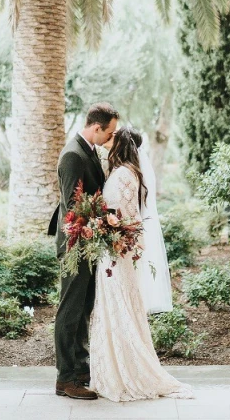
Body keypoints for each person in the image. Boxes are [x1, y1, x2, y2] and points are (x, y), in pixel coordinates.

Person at [89, 126, 194, 401]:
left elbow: (130, 219)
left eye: (112, 138)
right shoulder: (120, 171)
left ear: (120, 143)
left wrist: (109, 231)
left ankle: (128, 372)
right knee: (114, 307)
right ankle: (113, 369)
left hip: (116, 254)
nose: (107, 140)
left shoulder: (125, 175)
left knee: (119, 307)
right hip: (110, 253)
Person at [49, 102, 119, 400]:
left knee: (83, 309)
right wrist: (106, 220)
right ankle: (65, 378)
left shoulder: (87, 151)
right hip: (75, 246)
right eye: (109, 132)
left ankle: (80, 369)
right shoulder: (73, 156)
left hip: (88, 245)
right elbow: (73, 208)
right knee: (70, 310)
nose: (110, 137)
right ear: (96, 127)